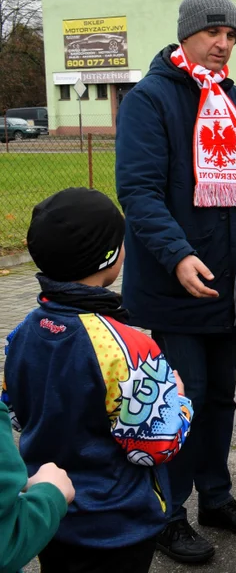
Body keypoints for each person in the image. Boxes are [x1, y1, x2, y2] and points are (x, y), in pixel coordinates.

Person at [116, 0, 236, 563]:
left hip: (229, 284)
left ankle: (215, 495)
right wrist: (178, 253)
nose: (223, 44)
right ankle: (166, 512)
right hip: (170, 288)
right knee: (177, 405)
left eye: (231, 35)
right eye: (214, 32)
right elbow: (138, 191)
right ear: (186, 34)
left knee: (221, 401)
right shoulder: (149, 100)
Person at [3, 188, 194, 573]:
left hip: (49, 514)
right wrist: (177, 400)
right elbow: (155, 446)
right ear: (110, 257)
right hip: (117, 526)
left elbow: (17, 414)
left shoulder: (23, 332)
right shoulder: (129, 346)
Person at [0, 402, 74, 573]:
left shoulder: (14, 373)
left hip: (43, 518)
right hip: (113, 507)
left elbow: (15, 416)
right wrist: (52, 494)